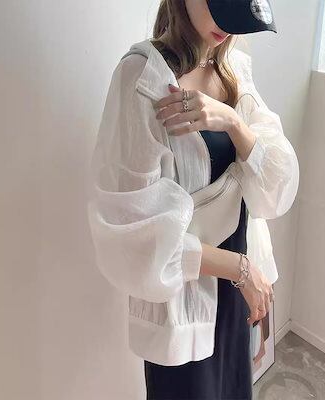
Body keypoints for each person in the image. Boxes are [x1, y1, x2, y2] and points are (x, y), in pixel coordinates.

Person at [86, 0, 299, 399]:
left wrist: (232, 121)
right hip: (185, 303)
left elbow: (276, 178)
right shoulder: (142, 78)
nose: (227, 28)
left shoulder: (234, 66)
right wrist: (240, 269)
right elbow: (131, 230)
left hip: (239, 292)